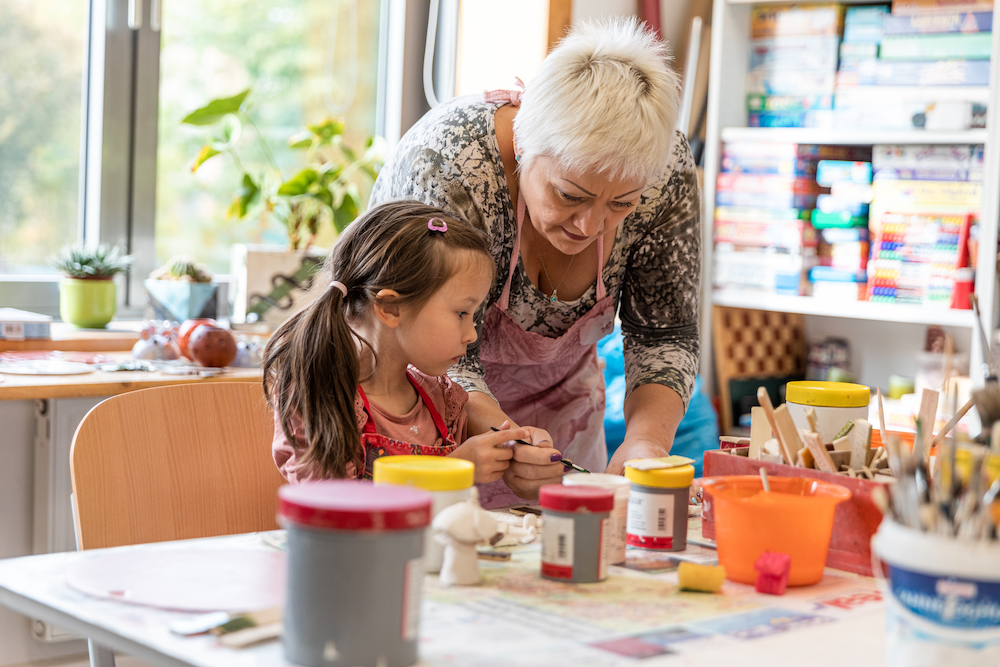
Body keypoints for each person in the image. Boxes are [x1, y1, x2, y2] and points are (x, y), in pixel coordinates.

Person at [370, 17, 701, 508]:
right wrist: (507, 436)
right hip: (424, 398)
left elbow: (665, 334)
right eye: (570, 194)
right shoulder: (448, 161)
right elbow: (426, 341)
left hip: (564, 399)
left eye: (620, 205)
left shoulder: (663, 167)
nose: (590, 226)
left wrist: (645, 442)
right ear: (524, 145)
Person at [265, 200, 560, 483]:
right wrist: (451, 471)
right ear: (390, 308)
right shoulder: (320, 396)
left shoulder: (444, 401)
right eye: (461, 313)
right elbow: (331, 507)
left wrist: (517, 454)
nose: (472, 334)